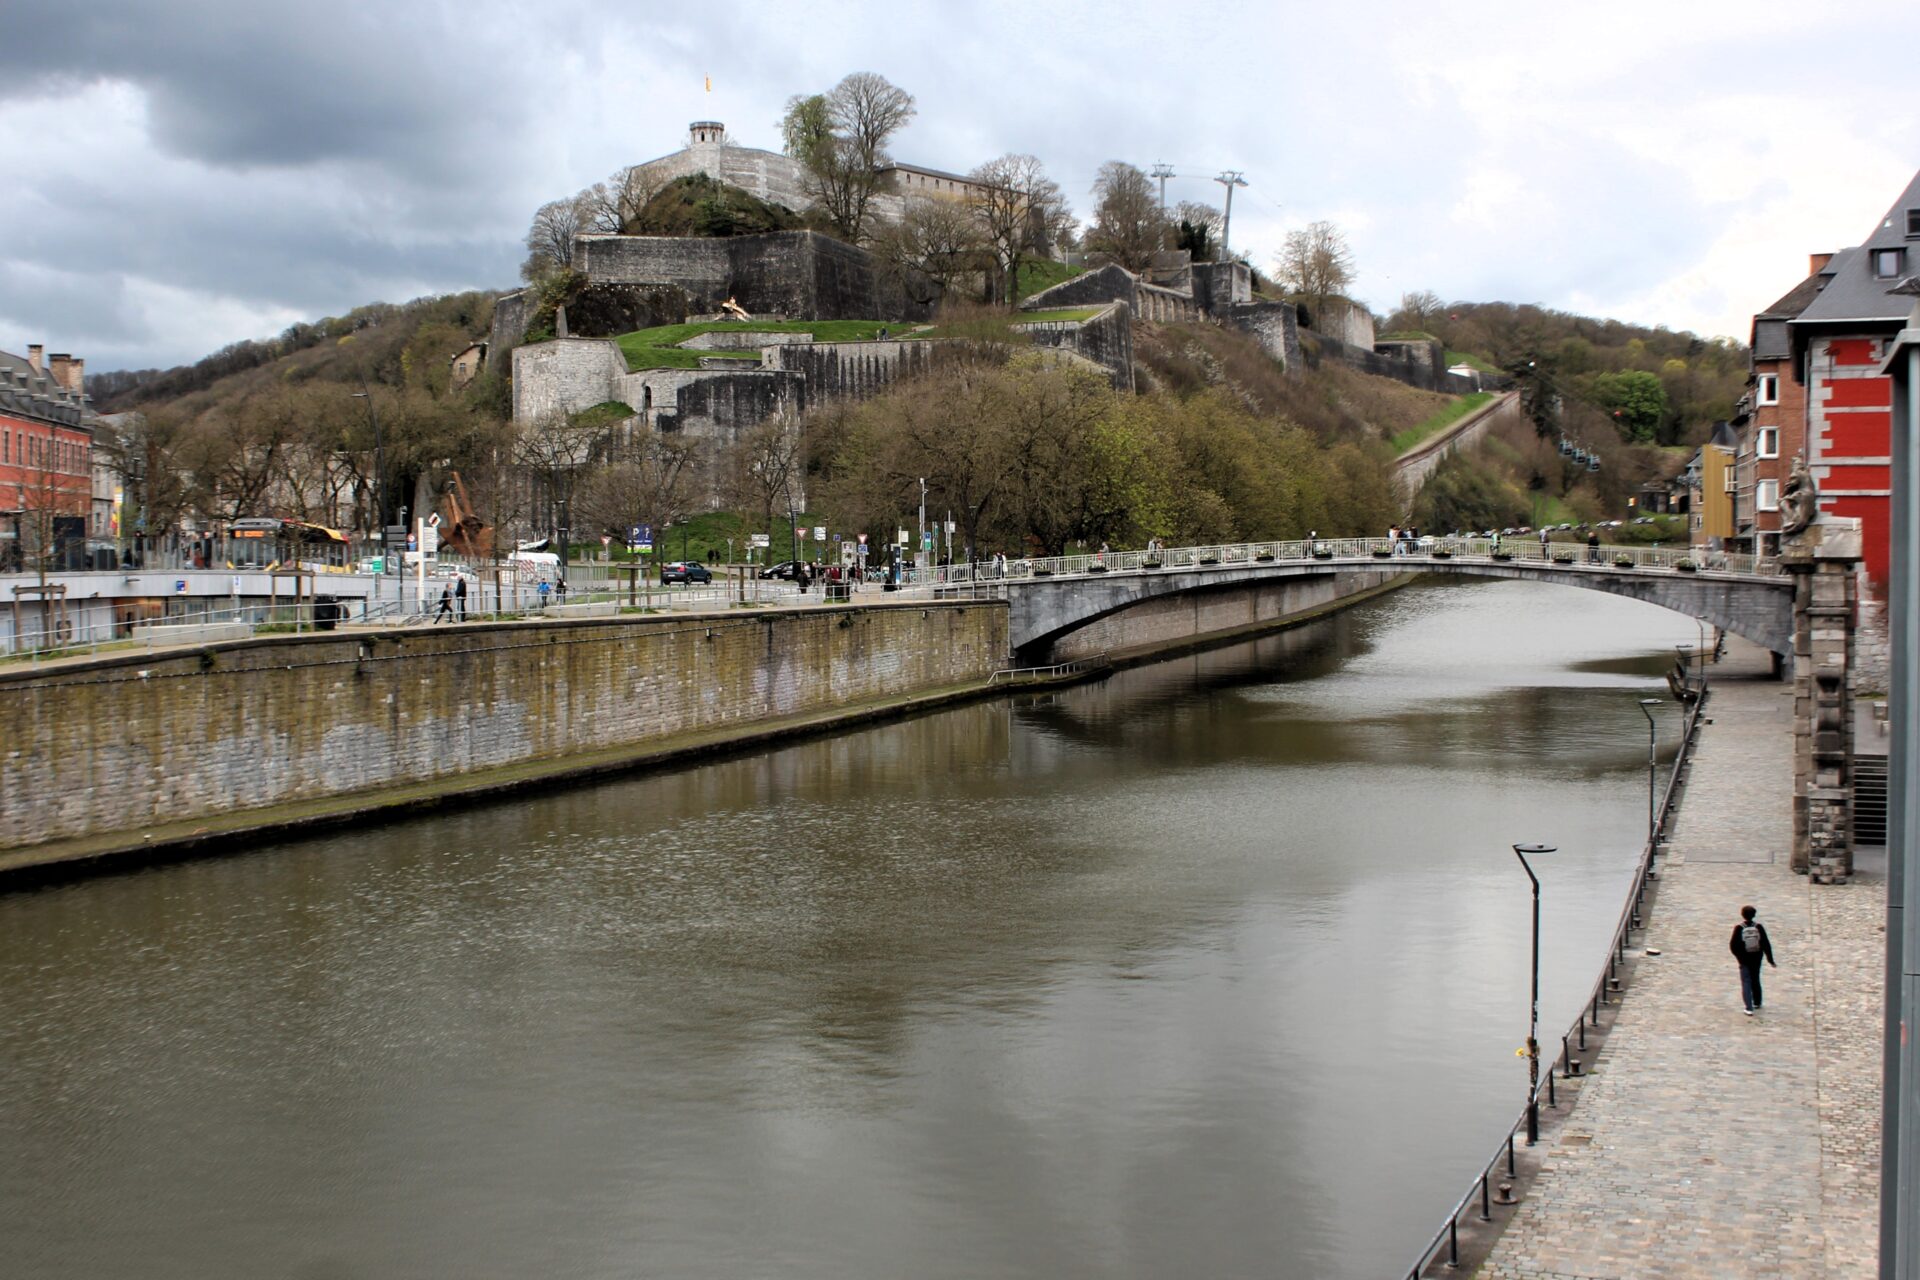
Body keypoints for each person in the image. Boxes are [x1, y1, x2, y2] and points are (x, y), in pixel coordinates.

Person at [1729, 905, 1777, 1014]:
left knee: (1746, 981)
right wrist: (1770, 960)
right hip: (1756, 957)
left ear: (1742, 915)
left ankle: (1748, 1007)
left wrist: (1739, 957)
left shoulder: (1739, 928)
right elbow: (1765, 944)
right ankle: (1757, 1001)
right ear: (1754, 915)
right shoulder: (1758, 927)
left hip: (1744, 959)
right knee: (1755, 978)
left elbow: (1733, 945)